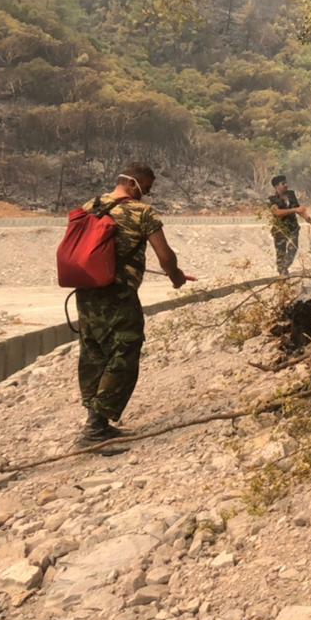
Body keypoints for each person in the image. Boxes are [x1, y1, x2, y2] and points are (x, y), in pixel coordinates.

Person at [75, 163, 187, 445]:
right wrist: (176, 277)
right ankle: (95, 427)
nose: (145, 194)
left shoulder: (91, 205)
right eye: (145, 188)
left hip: (86, 291)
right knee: (125, 351)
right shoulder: (142, 213)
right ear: (133, 183)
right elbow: (165, 256)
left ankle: (95, 419)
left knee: (93, 351)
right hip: (118, 294)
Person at [268, 174, 311, 276]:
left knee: (293, 249)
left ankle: (284, 269)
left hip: (293, 228)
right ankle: (282, 274)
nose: (286, 185)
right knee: (281, 254)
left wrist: (306, 217)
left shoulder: (291, 194)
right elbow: (277, 213)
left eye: (286, 183)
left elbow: (298, 208)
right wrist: (294, 210)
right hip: (280, 230)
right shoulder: (271, 199)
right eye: (283, 184)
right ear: (276, 186)